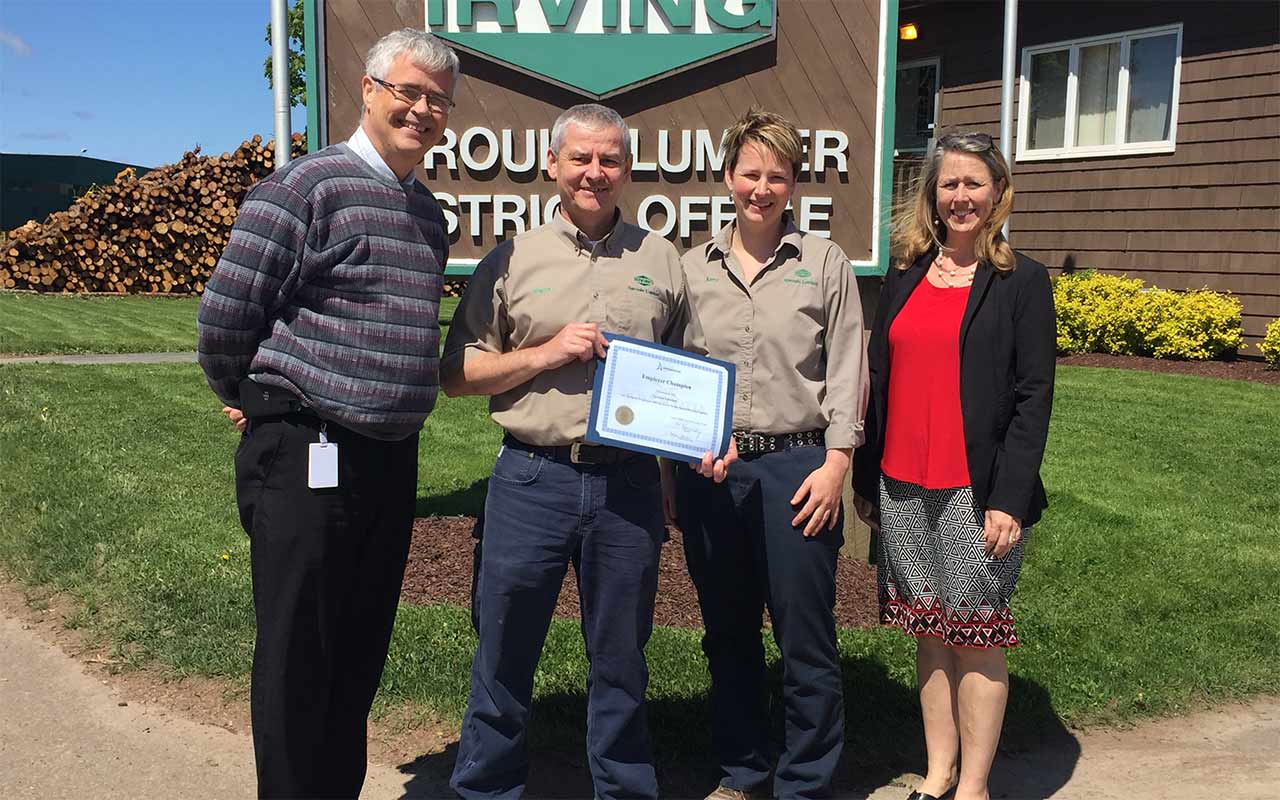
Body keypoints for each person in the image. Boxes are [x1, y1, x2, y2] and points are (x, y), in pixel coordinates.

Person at [196, 28, 458, 798]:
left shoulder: (426, 216)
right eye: (407, 91)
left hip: (388, 456)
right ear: (370, 90)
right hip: (307, 449)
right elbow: (225, 319)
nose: (420, 109)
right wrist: (255, 398)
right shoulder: (303, 188)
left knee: (357, 649)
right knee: (298, 652)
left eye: (437, 100)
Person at [443, 103, 728, 800]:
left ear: (626, 170)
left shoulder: (662, 259)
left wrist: (690, 450)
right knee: (504, 652)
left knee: (623, 660)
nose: (593, 173)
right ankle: (485, 790)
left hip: (627, 488)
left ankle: (624, 790)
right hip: (530, 479)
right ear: (553, 166)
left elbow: (686, 370)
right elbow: (456, 373)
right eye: (580, 159)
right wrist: (545, 352)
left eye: (608, 161)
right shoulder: (512, 258)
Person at [664, 107, 869, 800]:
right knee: (727, 633)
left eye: (776, 175)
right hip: (710, 473)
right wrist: (679, 456)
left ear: (793, 184)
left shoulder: (824, 263)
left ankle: (806, 780)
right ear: (727, 178)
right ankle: (743, 770)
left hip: (799, 469)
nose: (761, 187)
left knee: (804, 638)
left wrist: (836, 464)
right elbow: (673, 371)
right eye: (750, 173)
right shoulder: (691, 269)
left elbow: (847, 370)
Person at [852, 131, 1056, 800]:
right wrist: (867, 480)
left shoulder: (1020, 280)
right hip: (904, 483)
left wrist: (1010, 499)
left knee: (976, 636)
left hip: (978, 490)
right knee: (930, 632)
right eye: (949, 184)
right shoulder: (907, 273)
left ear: (998, 192)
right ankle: (937, 773)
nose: (961, 196)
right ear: (932, 196)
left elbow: (1033, 398)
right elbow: (879, 378)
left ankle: (974, 786)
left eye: (974, 183)